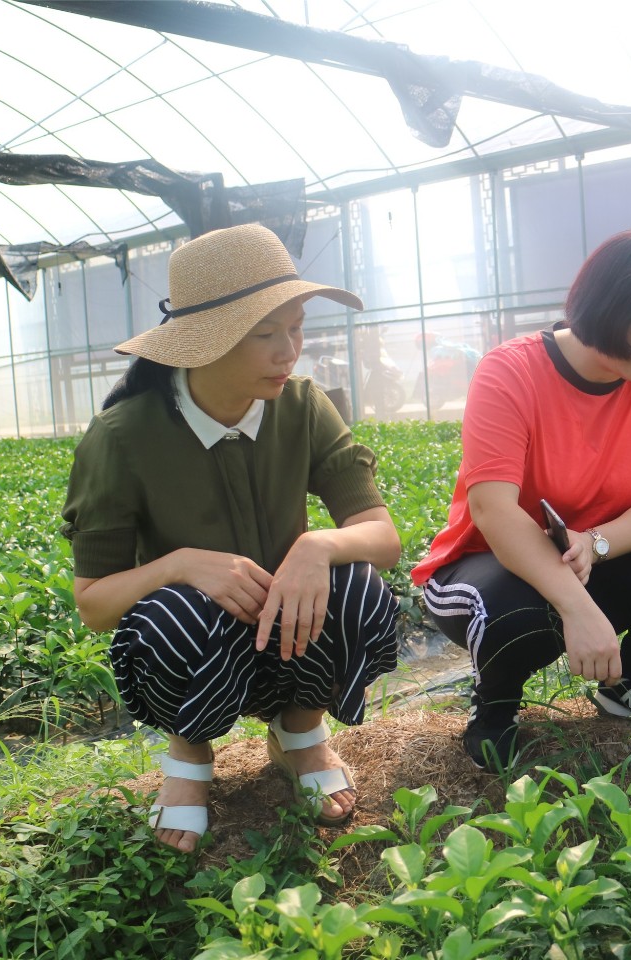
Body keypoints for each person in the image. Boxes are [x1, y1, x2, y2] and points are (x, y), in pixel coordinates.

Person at [61, 223, 402, 852]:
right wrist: (182, 564)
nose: (289, 351)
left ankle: (300, 736)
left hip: (295, 634)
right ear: (203, 344)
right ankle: (189, 761)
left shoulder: (303, 406)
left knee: (361, 589)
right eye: (265, 335)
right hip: (205, 642)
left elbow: (381, 537)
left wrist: (317, 547)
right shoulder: (121, 437)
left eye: (296, 327)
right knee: (170, 618)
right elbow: (94, 603)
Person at [412, 227, 631, 769]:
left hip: (584, 557)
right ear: (604, 306)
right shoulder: (510, 372)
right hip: (488, 565)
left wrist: (595, 542)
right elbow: (494, 510)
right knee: (515, 615)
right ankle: (493, 708)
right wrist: (576, 606)